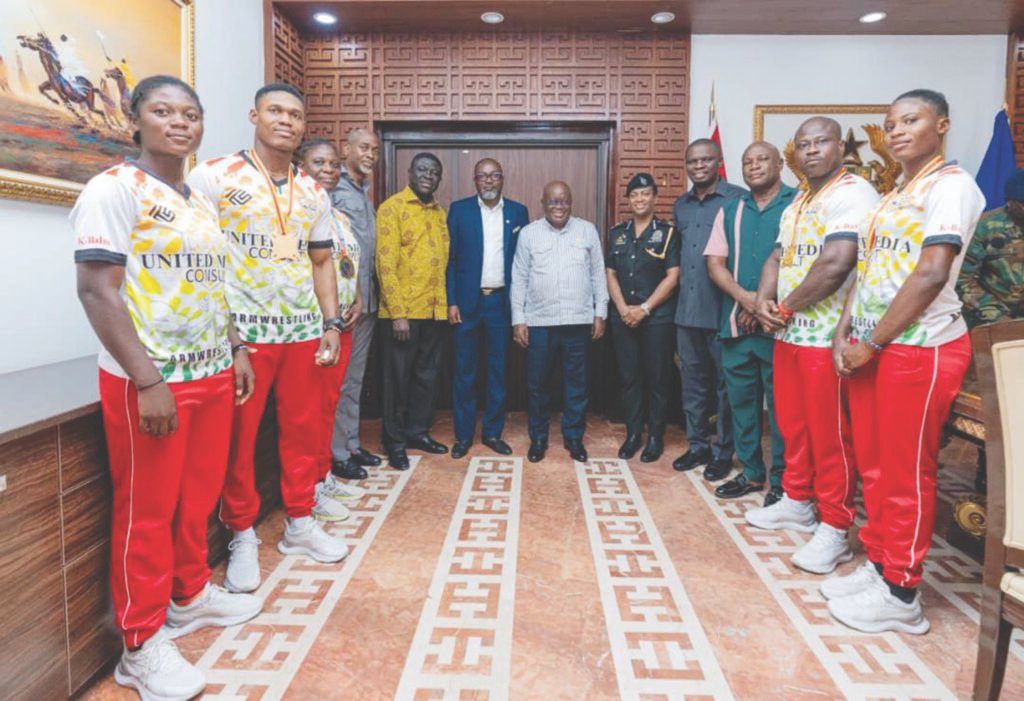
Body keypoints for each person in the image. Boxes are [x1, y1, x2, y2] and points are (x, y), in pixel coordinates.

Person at [72, 75, 262, 701]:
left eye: (191, 113)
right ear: (137, 119)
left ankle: (188, 595)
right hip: (151, 382)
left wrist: (235, 348)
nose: (180, 122)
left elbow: (216, 286)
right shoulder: (113, 190)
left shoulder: (199, 199)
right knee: (146, 513)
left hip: (210, 371)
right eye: (163, 111)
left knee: (197, 496)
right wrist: (146, 379)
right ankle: (141, 643)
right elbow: (98, 290)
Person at [827, 89, 985, 634]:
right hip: (874, 345)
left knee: (906, 471)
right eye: (890, 123)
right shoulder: (895, 194)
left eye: (910, 120)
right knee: (874, 466)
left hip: (920, 346)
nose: (895, 131)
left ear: (942, 124)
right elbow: (869, 274)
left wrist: (872, 344)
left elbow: (932, 273)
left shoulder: (952, 186)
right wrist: (847, 330)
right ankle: (878, 564)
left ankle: (902, 593)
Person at [188, 82, 349, 595]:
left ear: (303, 126)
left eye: (295, 115)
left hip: (301, 331)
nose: (286, 121)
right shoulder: (213, 177)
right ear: (254, 115)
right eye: (275, 111)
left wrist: (331, 324)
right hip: (246, 336)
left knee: (303, 432)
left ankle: (300, 521)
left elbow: (320, 260)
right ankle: (240, 534)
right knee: (240, 442)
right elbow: (201, 265)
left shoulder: (312, 191)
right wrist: (231, 340)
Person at [743, 117, 879, 576]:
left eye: (821, 142)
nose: (812, 150)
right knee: (792, 424)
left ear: (840, 146)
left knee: (831, 436)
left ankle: (836, 528)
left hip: (827, 339)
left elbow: (837, 263)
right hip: (790, 335)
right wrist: (765, 297)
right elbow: (778, 256)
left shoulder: (853, 193)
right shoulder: (800, 199)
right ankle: (797, 500)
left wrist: (783, 307)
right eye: (803, 144)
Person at [704, 142, 795, 505]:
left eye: (762, 160)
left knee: (784, 408)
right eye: (747, 161)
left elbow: (808, 264)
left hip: (782, 326)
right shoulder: (730, 208)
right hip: (736, 324)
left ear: (780, 164)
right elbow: (715, 264)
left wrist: (765, 307)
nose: (754, 166)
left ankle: (785, 481)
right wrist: (747, 299)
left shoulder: (797, 205)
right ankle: (752, 472)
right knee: (742, 404)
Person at [511, 181, 609, 463]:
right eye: (553, 202)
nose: (559, 207)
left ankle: (574, 436)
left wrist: (599, 313)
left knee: (576, 384)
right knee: (537, 385)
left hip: (578, 322)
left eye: (564, 201)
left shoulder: (586, 230)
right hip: (539, 322)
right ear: (543, 203)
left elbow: (597, 274)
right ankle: (538, 438)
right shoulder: (529, 234)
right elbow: (519, 279)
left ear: (571, 203)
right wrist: (519, 320)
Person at [295, 138, 367, 519]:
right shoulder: (294, 210)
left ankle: (322, 479)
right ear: (300, 165)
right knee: (309, 414)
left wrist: (354, 300)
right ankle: (307, 492)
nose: (329, 170)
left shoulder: (337, 216)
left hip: (341, 322)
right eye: (318, 162)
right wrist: (329, 318)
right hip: (312, 326)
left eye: (334, 163)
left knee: (328, 406)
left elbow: (343, 266)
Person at [672, 138, 746, 479]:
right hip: (687, 311)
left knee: (725, 386)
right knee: (692, 384)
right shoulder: (681, 205)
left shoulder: (738, 199)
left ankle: (722, 452)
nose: (698, 166)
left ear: (719, 161)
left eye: (705, 160)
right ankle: (697, 444)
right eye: (692, 161)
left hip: (722, 309)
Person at [446, 158, 530, 459]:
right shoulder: (459, 210)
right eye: (483, 176)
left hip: (501, 303)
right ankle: (464, 436)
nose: (489, 181)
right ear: (475, 180)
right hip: (467, 304)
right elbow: (451, 260)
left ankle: (493, 433)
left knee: (498, 370)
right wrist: (452, 301)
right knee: (464, 372)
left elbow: (523, 263)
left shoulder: (519, 212)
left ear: (502, 179)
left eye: (494, 176)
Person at [376, 152, 450, 469]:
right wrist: (398, 313)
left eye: (434, 172)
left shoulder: (439, 213)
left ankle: (417, 432)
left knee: (426, 377)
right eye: (422, 169)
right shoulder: (392, 208)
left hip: (433, 311)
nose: (428, 175)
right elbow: (385, 263)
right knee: (397, 380)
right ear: (409, 172)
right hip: (401, 314)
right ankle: (394, 442)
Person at [605, 173, 680, 462]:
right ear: (628, 200)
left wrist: (644, 308)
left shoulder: (668, 233)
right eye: (634, 195)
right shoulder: (617, 233)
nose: (639, 199)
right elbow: (610, 272)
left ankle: (656, 438)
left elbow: (673, 277)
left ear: (655, 198)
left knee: (658, 379)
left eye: (645, 194)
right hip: (623, 319)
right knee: (630, 379)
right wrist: (623, 308)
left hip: (657, 319)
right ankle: (633, 434)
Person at [329, 127, 383, 480]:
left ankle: (349, 443)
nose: (370, 155)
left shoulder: (363, 191)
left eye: (375, 150)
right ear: (345, 148)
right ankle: (335, 454)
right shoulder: (333, 188)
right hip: (343, 305)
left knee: (355, 379)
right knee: (338, 380)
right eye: (364, 147)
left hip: (367, 302)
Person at [956, 168, 1024, 327]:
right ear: (1010, 202)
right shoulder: (985, 227)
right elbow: (962, 280)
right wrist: (997, 317)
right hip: (994, 321)